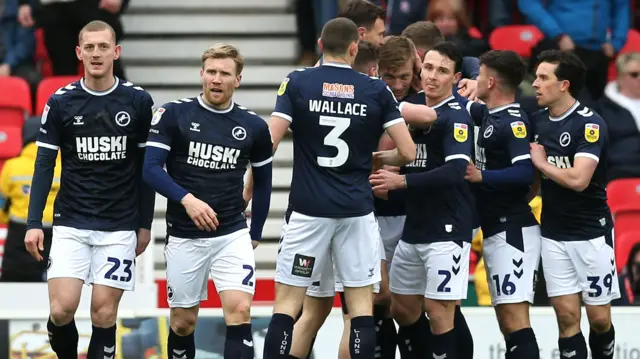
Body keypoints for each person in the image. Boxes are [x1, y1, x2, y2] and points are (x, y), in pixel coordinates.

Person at [263, 17, 416, 359]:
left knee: (287, 306)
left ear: (319, 45)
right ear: (353, 48)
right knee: (361, 308)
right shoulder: (376, 90)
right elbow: (408, 152)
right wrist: (375, 157)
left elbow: (269, 142)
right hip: (357, 213)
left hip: (308, 213)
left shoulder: (298, 82)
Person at [23, 20, 155, 358]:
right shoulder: (61, 102)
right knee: (62, 310)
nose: (97, 53)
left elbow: (148, 169)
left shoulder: (138, 101)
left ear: (116, 52)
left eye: (104, 47)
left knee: (104, 313)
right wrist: (34, 222)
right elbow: (43, 165)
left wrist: (144, 224)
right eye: (90, 48)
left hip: (119, 225)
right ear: (79, 53)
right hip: (71, 223)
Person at [143, 43, 273, 359]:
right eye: (211, 72)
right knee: (184, 323)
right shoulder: (173, 114)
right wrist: (187, 199)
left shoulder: (254, 126)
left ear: (237, 80)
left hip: (231, 233)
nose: (216, 79)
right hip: (185, 233)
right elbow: (150, 169)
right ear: (201, 74)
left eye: (225, 74)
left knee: (240, 311)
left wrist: (255, 232)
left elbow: (264, 182)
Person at [369, 41, 474, 359]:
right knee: (401, 308)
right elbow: (413, 156)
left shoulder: (455, 116)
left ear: (455, 78)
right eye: (428, 68)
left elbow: (457, 171)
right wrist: (377, 159)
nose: (432, 76)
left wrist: (401, 180)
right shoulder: (417, 114)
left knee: (440, 311)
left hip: (446, 230)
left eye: (442, 71)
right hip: (413, 230)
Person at [529, 49, 619, 359]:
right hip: (554, 234)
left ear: (564, 85)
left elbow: (579, 180)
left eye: (543, 78)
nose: (536, 84)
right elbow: (534, 183)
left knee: (599, 319)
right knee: (567, 319)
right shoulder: (537, 121)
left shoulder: (589, 124)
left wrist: (541, 162)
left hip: (591, 233)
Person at [464, 50, 541, 359]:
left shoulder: (513, 121)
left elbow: (524, 171)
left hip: (514, 231)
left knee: (515, 320)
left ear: (492, 81)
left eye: (481, 75)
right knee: (506, 322)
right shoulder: (489, 115)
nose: (476, 80)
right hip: (495, 226)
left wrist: (481, 176)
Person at [0, 117, 60, 282]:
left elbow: (2, 202)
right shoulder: (64, 165)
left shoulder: (12, 166)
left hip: (21, 235)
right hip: (58, 235)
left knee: (16, 290)